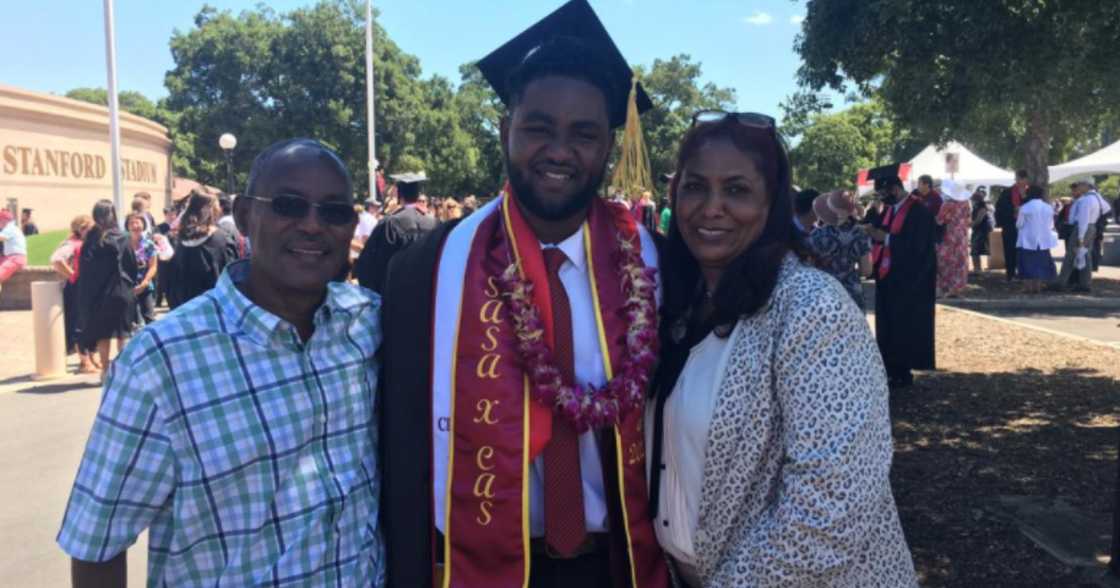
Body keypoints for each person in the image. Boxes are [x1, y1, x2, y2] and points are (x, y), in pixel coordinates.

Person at [377, 2, 668, 586]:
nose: (559, 150)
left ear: (608, 147)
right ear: (505, 129)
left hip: (623, 565)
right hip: (478, 562)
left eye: (584, 134)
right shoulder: (424, 272)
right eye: (538, 128)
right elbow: (399, 443)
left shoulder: (661, 269)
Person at [58, 139, 385, 587]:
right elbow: (97, 544)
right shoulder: (161, 363)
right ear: (246, 215)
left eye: (334, 211)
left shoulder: (368, 323)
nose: (313, 225)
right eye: (288, 205)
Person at [649, 112, 916, 588]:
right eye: (695, 187)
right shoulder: (678, 304)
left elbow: (832, 504)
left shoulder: (811, 309)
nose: (711, 208)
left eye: (736, 190)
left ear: (771, 202)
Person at [866, 165, 936, 389]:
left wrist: (885, 238)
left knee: (903, 325)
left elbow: (918, 247)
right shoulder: (890, 210)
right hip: (888, 276)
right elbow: (880, 230)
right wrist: (870, 229)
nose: (882, 200)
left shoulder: (919, 212)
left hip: (909, 279)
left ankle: (902, 371)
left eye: (884, 194)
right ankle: (888, 367)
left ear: (895, 189)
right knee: (887, 323)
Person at [76, 200, 137, 377]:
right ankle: (123, 372)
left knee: (104, 334)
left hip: (100, 293)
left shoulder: (91, 240)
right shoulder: (123, 237)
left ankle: (105, 370)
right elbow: (131, 264)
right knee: (123, 333)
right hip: (121, 289)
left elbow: (85, 270)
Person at [353, 172, 438, 293]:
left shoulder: (390, 224)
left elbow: (369, 265)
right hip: (428, 294)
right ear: (418, 195)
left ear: (399, 195)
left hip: (397, 295)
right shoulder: (435, 223)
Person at [165, 191, 238, 309]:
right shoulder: (221, 239)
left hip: (186, 307)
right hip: (214, 307)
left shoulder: (181, 240)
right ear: (212, 210)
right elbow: (231, 277)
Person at [806, 191, 872, 309]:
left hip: (824, 293)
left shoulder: (816, 235)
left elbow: (808, 267)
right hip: (852, 294)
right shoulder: (861, 234)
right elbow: (866, 271)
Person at [50, 215, 98, 373]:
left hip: (88, 287)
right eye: (86, 227)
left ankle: (92, 357)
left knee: (91, 323)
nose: (90, 230)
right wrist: (73, 276)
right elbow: (56, 260)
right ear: (79, 229)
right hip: (76, 289)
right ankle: (84, 362)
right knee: (79, 324)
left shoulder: (89, 243)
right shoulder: (72, 244)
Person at [1055, 180, 1110, 293]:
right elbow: (1107, 208)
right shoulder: (1097, 197)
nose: (1079, 188)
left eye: (1080, 185)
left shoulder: (1086, 200)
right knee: (1085, 255)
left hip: (1082, 228)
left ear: (1086, 186)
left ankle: (1061, 283)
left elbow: (1083, 220)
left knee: (1071, 255)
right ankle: (1085, 284)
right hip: (1091, 226)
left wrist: (1080, 236)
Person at [1015, 185, 1058, 294]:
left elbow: (1019, 224)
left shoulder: (1025, 207)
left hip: (1027, 239)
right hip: (1043, 240)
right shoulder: (1048, 207)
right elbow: (1051, 224)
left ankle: (1027, 287)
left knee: (1027, 263)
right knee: (1040, 263)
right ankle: (1037, 286)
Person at [935, 182, 971, 297]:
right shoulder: (966, 203)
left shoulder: (947, 204)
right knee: (960, 261)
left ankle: (945, 287)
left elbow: (940, 220)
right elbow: (968, 217)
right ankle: (956, 287)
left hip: (949, 235)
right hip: (962, 235)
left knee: (945, 260)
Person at [125, 212, 159, 325]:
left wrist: (144, 283)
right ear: (127, 226)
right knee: (131, 322)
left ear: (143, 225)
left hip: (145, 286)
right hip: (128, 288)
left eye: (137, 223)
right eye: (131, 223)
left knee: (150, 319)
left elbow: (153, 266)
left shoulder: (149, 244)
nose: (135, 226)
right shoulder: (123, 244)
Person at [995, 170, 1029, 281]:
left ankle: (1024, 273)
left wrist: (1023, 201)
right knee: (1010, 250)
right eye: (1017, 179)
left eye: (1021, 179)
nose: (1018, 181)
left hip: (1027, 227)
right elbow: (1000, 207)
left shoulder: (1031, 192)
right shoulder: (1007, 192)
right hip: (1010, 225)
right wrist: (1013, 210)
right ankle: (1010, 273)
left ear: (1026, 179)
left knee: (1025, 250)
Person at [0, 209, 28, 295]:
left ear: (4, 220)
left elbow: (1, 238)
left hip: (15, 258)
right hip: (10, 257)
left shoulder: (10, 228)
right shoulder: (12, 228)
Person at [970, 188, 993, 273]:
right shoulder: (976, 207)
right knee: (976, 250)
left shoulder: (982, 207)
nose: (971, 201)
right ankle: (977, 268)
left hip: (982, 230)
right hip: (978, 230)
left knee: (975, 250)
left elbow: (978, 220)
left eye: (973, 199)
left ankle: (978, 268)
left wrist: (969, 224)